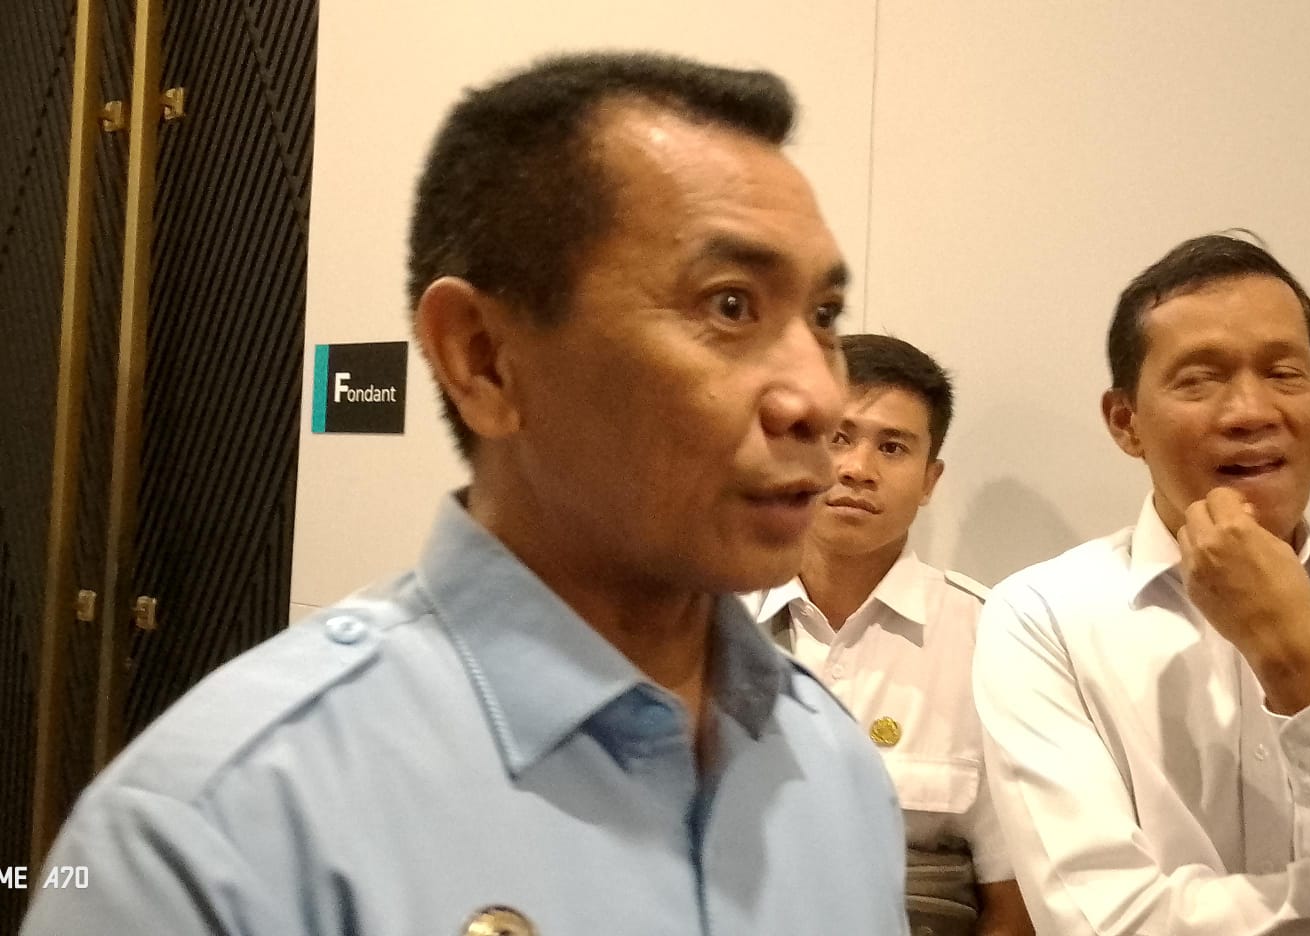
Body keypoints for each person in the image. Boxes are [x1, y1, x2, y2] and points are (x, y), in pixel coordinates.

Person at [23, 52, 908, 935]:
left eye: (822, 317)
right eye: (728, 305)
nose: (819, 398)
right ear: (482, 358)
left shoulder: (832, 768)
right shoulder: (217, 829)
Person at [974, 232, 1310, 934]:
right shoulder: (1041, 616)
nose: (1251, 411)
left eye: (1284, 372)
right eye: (1200, 379)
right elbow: (1104, 923)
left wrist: (1299, 666)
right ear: (1125, 422)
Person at [744, 334, 1033, 936]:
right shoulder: (706, 614)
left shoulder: (993, 640)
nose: (857, 469)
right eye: (838, 437)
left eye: (893, 447)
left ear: (930, 480)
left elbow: (1014, 904)